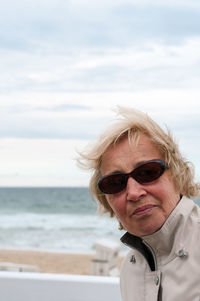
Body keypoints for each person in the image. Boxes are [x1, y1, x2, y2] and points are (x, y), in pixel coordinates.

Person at [77, 107, 200, 301]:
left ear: (178, 177)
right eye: (115, 183)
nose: (133, 193)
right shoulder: (132, 268)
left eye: (147, 172)